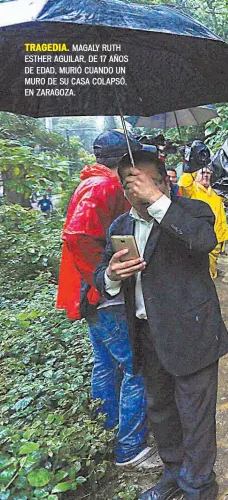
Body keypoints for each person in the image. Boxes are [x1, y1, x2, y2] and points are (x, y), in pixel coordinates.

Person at [94, 151, 228, 500]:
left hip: (192, 334)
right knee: (161, 411)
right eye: (129, 183)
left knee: (195, 415)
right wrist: (111, 275)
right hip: (146, 334)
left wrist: (155, 201)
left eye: (145, 181)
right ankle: (173, 474)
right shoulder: (120, 227)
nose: (135, 189)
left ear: (164, 182)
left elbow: (204, 241)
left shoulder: (192, 211)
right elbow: (100, 275)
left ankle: (199, 486)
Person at [56, 130, 158, 470]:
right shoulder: (105, 186)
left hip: (91, 295)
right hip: (105, 296)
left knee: (107, 363)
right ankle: (130, 448)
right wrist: (102, 279)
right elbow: (78, 235)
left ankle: (106, 431)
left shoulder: (92, 181)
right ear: (123, 160)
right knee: (136, 367)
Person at [178, 166, 228, 279]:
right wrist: (192, 165)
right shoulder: (191, 190)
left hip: (217, 236)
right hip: (198, 236)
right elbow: (184, 183)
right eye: (202, 173)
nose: (205, 175)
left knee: (212, 267)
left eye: (208, 173)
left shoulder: (216, 191)